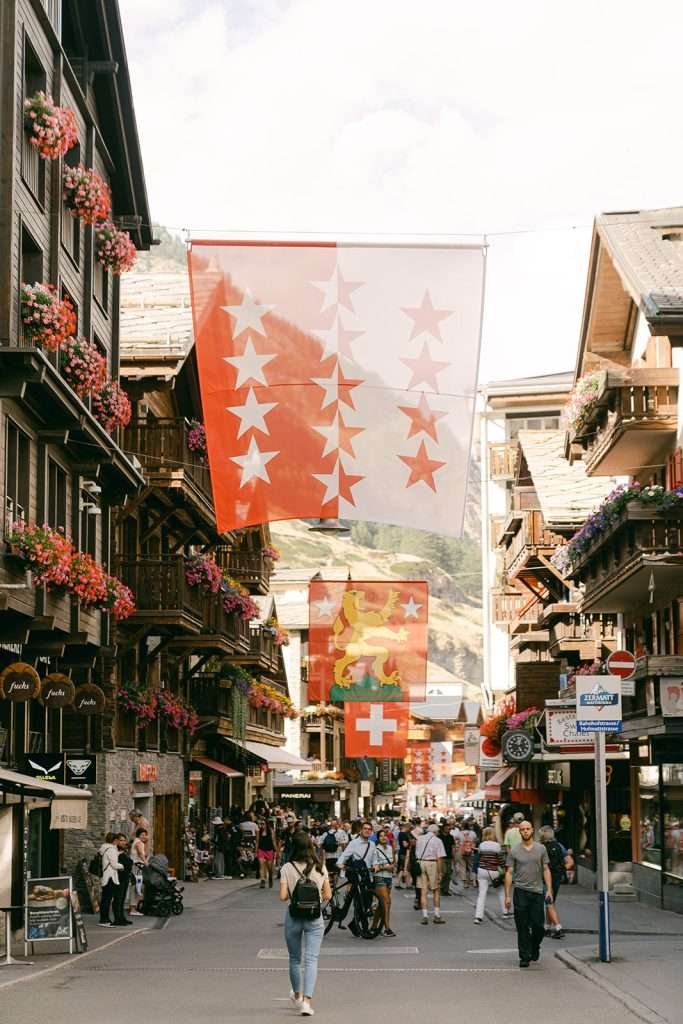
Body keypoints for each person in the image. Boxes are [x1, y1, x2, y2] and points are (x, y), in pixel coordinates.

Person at [279, 831, 331, 1017]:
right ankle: (307, 1003)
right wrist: (315, 897)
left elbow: (283, 896)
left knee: (294, 959)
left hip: (293, 917)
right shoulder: (320, 867)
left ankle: (298, 996)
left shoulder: (287, 867)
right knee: (311, 960)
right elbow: (328, 894)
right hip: (314, 918)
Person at [504, 820, 554, 968]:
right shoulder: (514, 851)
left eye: (528, 829)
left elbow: (546, 869)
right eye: (522, 829)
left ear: (532, 830)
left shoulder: (541, 849)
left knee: (539, 926)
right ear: (519, 832)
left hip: (537, 891)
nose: (525, 831)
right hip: (520, 892)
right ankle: (524, 956)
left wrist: (549, 889)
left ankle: (534, 946)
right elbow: (509, 872)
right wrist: (507, 895)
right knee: (522, 926)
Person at [413, 823, 446, 924]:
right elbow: (439, 857)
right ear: (436, 832)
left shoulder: (420, 839)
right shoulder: (438, 841)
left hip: (421, 863)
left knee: (423, 891)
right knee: (436, 890)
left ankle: (425, 916)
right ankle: (436, 915)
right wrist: (440, 872)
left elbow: (416, 852)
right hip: (432, 864)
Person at [539, 825, 567, 938]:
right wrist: (561, 871)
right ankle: (547, 927)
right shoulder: (560, 846)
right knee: (550, 902)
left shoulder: (541, 848)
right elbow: (569, 862)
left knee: (549, 902)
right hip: (557, 877)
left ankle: (558, 928)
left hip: (546, 878)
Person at [474, 826, 506, 923]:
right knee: (500, 891)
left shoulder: (481, 845)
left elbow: (478, 858)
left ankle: (478, 916)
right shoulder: (497, 846)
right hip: (493, 871)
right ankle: (505, 911)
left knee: (482, 894)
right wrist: (504, 869)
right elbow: (500, 860)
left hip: (482, 870)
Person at [373, 827, 396, 936]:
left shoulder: (390, 848)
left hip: (389, 878)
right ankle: (387, 929)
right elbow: (374, 866)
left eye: (385, 835)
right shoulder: (375, 849)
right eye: (381, 836)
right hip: (379, 878)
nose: (383, 837)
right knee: (387, 902)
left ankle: (373, 926)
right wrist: (386, 867)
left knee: (381, 904)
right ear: (378, 838)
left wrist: (392, 867)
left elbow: (393, 863)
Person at [98, 832, 124, 927]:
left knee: (105, 898)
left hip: (106, 876)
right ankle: (104, 920)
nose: (118, 842)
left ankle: (104, 918)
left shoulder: (105, 848)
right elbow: (114, 864)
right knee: (107, 899)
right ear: (114, 840)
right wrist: (122, 866)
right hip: (110, 877)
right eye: (117, 840)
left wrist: (118, 853)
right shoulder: (111, 850)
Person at [113, 834, 134, 926]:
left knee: (122, 898)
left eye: (124, 840)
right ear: (117, 841)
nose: (123, 842)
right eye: (121, 840)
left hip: (125, 877)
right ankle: (117, 919)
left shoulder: (123, 851)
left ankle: (122, 917)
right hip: (118, 877)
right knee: (118, 898)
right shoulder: (114, 851)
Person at [129, 826, 148, 916]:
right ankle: (133, 908)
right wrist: (146, 862)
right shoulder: (139, 842)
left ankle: (134, 906)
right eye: (142, 835)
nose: (144, 836)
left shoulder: (136, 842)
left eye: (145, 835)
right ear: (138, 835)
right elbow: (141, 853)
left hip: (135, 866)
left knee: (136, 886)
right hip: (137, 867)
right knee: (137, 886)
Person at [257, 818, 278, 888]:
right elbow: (257, 842)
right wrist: (256, 851)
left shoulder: (271, 831)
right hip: (261, 850)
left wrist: (276, 851)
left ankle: (270, 878)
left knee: (270, 867)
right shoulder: (258, 832)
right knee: (261, 864)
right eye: (261, 824)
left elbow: (274, 841)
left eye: (263, 824)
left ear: (266, 824)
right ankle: (262, 880)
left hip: (269, 850)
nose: (262, 825)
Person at [438, 820, 455, 896]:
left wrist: (454, 857)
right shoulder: (439, 837)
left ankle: (446, 890)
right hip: (442, 857)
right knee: (444, 873)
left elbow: (453, 847)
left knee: (448, 874)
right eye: (447, 828)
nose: (448, 830)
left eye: (449, 829)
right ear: (443, 828)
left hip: (449, 857)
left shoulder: (451, 837)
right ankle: (441, 888)